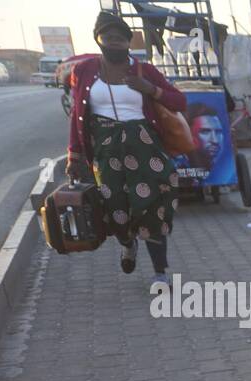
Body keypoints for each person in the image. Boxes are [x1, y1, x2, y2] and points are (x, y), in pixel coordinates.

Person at [66, 11, 185, 285]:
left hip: (145, 148)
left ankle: (159, 273)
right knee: (115, 207)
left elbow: (179, 101)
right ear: (98, 40)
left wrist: (150, 89)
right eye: (108, 38)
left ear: (129, 43)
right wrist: (74, 155)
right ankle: (128, 243)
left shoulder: (145, 70)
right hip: (106, 151)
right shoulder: (83, 71)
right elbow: (76, 115)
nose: (114, 43)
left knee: (152, 207)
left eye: (120, 39)